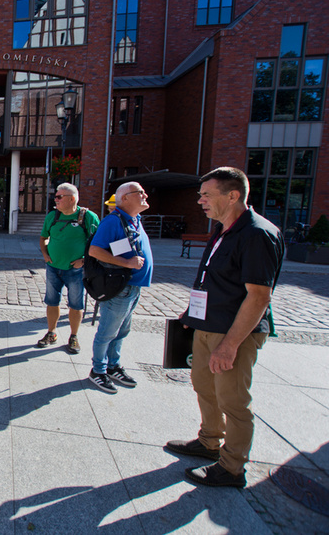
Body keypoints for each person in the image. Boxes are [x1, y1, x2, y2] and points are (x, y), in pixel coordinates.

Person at [166, 167, 283, 488]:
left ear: (232, 196)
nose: (200, 200)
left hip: (234, 333)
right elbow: (212, 280)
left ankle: (232, 468)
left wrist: (229, 345)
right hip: (207, 325)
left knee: (232, 400)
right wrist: (191, 316)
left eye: (206, 195)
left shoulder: (257, 234)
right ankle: (208, 442)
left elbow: (259, 296)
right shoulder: (224, 228)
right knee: (204, 386)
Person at [86, 182, 153, 394]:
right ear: (124, 198)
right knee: (107, 332)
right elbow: (95, 250)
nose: (145, 195)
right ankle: (98, 370)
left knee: (122, 331)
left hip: (133, 288)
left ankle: (113, 366)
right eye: (139, 192)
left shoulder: (134, 220)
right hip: (120, 287)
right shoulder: (112, 221)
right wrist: (127, 264)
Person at [37, 183, 99, 353]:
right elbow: (43, 238)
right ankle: (51, 332)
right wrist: (45, 254)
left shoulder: (88, 217)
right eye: (55, 196)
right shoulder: (52, 216)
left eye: (59, 197)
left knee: (76, 304)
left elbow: (99, 244)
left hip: (76, 270)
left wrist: (84, 260)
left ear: (72, 198)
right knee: (51, 301)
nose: (55, 199)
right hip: (53, 267)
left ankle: (73, 336)